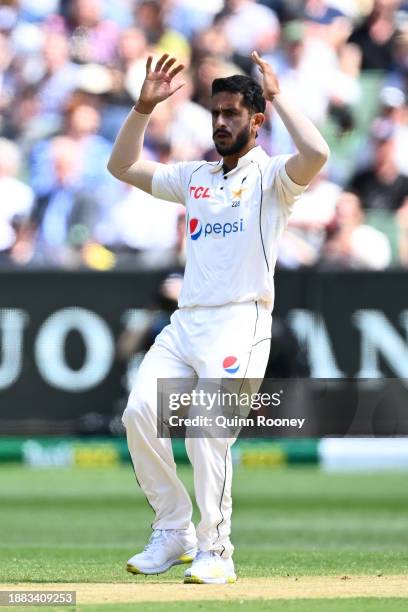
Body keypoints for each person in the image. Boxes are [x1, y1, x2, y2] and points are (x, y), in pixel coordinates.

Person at [107, 52, 329, 584]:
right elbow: (121, 167)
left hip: (242, 322)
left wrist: (278, 96)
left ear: (255, 122)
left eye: (233, 113)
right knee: (140, 413)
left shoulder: (274, 176)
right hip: (186, 324)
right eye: (216, 113)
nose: (222, 122)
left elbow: (317, 153)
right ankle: (173, 530)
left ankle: (217, 550)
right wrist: (142, 108)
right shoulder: (195, 178)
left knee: (207, 428)